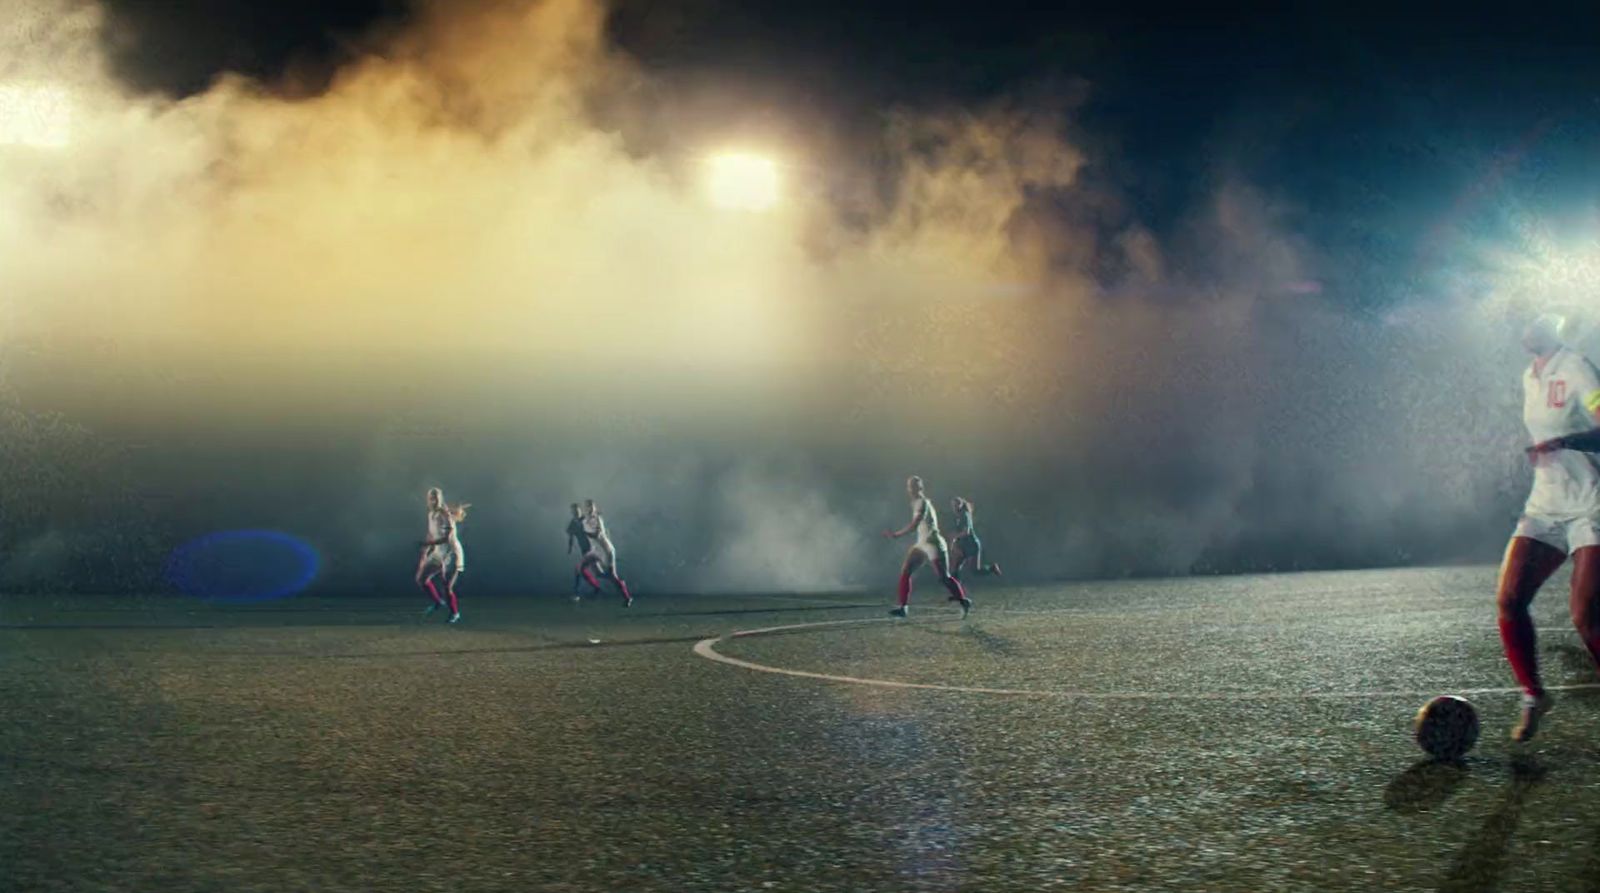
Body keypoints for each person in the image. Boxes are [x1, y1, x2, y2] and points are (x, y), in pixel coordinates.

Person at [1497, 313, 1600, 741]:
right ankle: (1534, 695)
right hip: (1545, 505)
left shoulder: (1576, 367)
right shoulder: (1528, 376)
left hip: (1590, 505)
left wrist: (1564, 442)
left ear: (1549, 323)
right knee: (1509, 600)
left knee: (1586, 616)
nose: (1522, 329)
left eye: (1529, 320)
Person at [883, 475, 972, 618]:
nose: (911, 489)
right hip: (922, 544)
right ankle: (903, 607)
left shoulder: (922, 503)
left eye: (914, 486)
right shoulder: (917, 502)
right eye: (910, 486)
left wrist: (896, 535)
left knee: (944, 578)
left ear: (920, 488)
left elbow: (914, 525)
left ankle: (963, 600)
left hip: (933, 543)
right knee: (906, 571)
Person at [417, 487, 468, 624]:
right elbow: (431, 533)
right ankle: (438, 602)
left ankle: (455, 613)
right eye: (432, 497)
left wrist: (427, 543)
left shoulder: (444, 515)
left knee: (447, 587)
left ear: (440, 499)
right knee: (421, 578)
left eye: (437, 497)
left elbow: (447, 538)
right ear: (428, 499)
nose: (434, 500)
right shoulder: (431, 514)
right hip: (438, 553)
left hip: (451, 554)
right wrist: (425, 551)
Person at [580, 499, 633, 607]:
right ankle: (598, 589)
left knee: (612, 576)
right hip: (595, 551)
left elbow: (597, 535)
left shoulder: (597, 519)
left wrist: (585, 533)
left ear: (594, 508)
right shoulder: (584, 521)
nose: (589, 509)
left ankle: (627, 597)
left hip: (606, 550)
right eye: (587, 507)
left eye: (591, 507)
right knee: (586, 570)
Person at [948, 496, 1002, 581]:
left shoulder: (965, 515)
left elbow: (966, 532)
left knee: (975, 571)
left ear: (961, 505)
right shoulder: (957, 517)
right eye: (953, 505)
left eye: (956, 505)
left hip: (972, 545)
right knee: (955, 568)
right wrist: (953, 542)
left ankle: (992, 568)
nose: (954, 507)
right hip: (963, 545)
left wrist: (954, 536)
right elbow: (956, 533)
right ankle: (958, 591)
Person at [566, 502, 602, 601]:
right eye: (574, 511)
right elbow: (571, 536)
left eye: (577, 511)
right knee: (598, 573)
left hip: (591, 549)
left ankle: (577, 594)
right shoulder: (573, 523)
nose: (576, 513)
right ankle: (599, 587)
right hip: (585, 550)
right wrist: (570, 547)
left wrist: (596, 517)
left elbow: (596, 530)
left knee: (578, 569)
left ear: (580, 510)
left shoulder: (585, 519)